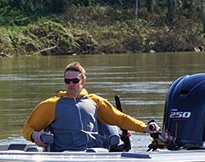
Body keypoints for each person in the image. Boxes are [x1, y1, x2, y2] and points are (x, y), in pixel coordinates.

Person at [22, 62, 160, 151]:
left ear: (83, 81)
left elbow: (120, 119)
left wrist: (144, 127)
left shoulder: (96, 102)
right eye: (67, 81)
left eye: (75, 80)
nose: (70, 84)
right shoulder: (51, 104)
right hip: (63, 154)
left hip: (93, 154)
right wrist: (34, 135)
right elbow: (27, 128)